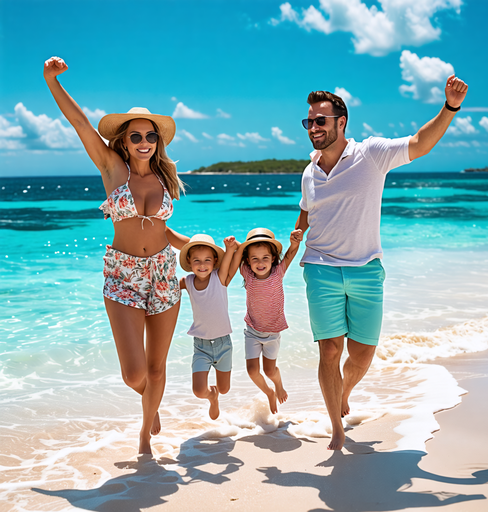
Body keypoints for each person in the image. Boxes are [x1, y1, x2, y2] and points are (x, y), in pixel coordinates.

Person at [296, 75, 468, 450]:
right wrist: (290, 252)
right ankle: (336, 430)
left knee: (361, 355)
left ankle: (345, 391)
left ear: (341, 123)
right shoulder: (308, 172)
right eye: (308, 121)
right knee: (329, 350)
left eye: (319, 121)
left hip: (366, 270)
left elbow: (420, 144)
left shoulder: (370, 154)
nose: (313, 128)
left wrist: (449, 107)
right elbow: (306, 216)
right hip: (321, 269)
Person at [44, 56, 190, 455]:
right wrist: (51, 80)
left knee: (158, 367)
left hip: (163, 273)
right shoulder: (111, 168)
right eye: (136, 136)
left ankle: (145, 434)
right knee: (134, 374)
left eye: (150, 137)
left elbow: (163, 231)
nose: (144, 142)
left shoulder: (163, 177)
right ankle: (148, 399)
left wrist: (196, 248)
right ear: (123, 141)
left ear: (158, 142)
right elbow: (79, 124)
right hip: (123, 276)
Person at [229, 228, 303, 413]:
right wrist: (235, 244)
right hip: (252, 331)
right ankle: (269, 392)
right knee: (252, 371)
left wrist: (295, 242)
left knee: (270, 371)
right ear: (247, 261)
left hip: (272, 333)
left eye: (265, 258)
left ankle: (278, 384)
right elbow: (240, 252)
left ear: (273, 259)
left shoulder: (278, 273)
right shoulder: (246, 273)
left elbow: (291, 253)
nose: (260, 263)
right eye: (255, 258)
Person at [179, 234, 238, 420]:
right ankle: (211, 397)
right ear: (189, 261)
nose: (202, 265)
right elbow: (166, 285)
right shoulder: (187, 281)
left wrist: (229, 249)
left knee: (224, 388)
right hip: (201, 346)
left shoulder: (218, 278)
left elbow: (229, 260)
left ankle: (217, 394)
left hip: (223, 345)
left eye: (207, 260)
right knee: (198, 390)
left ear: (214, 261)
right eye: (196, 260)